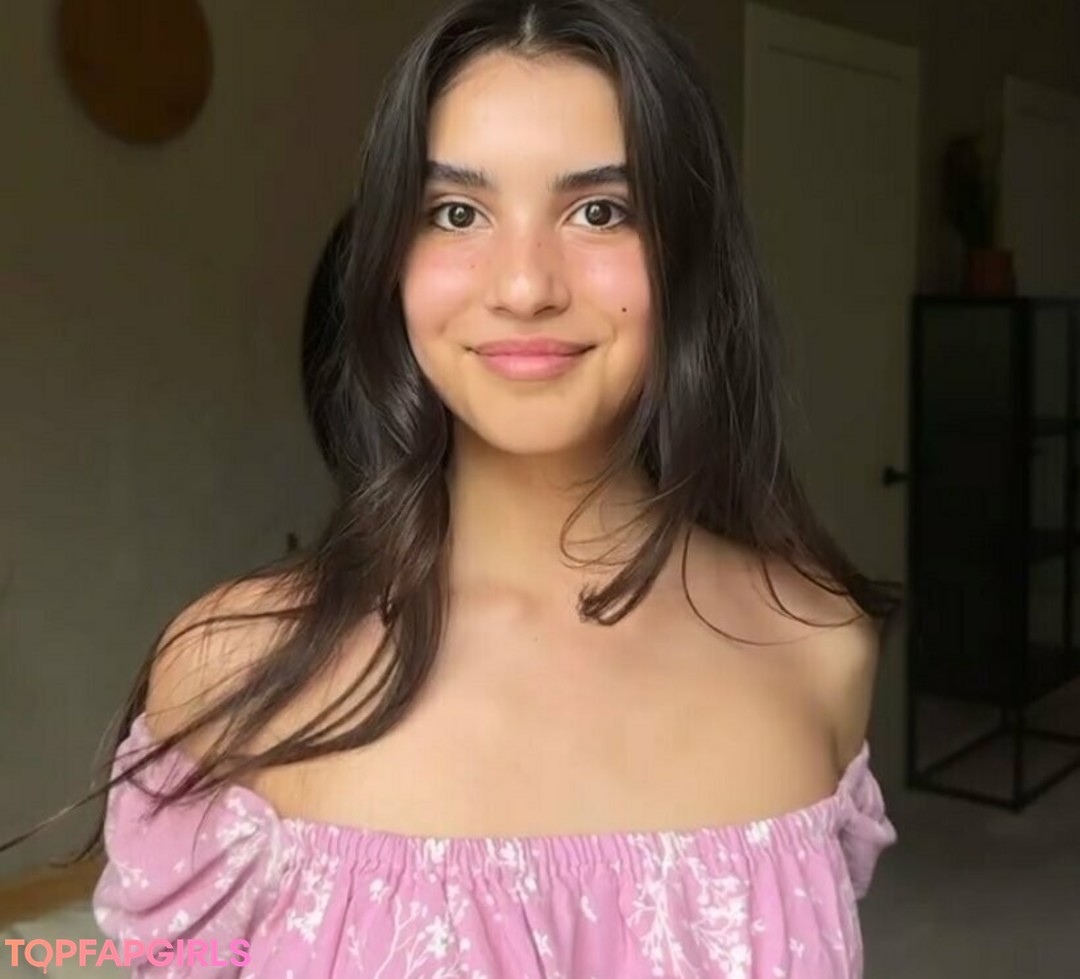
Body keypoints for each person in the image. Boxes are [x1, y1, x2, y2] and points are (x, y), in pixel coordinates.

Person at [4, 0, 902, 974]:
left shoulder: (820, 648)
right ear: (392, 261)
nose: (524, 286)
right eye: (457, 212)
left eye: (600, 210)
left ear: (688, 256)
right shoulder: (231, 671)